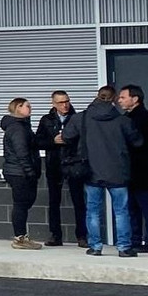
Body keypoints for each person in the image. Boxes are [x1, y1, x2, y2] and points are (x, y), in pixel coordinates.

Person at [75, 88, 145, 257]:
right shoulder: (122, 120)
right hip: (118, 172)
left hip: (92, 171)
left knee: (92, 211)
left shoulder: (82, 118)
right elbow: (138, 142)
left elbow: (68, 135)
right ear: (113, 100)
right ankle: (124, 248)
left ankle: (95, 247)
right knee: (121, 211)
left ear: (97, 97)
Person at [35, 91, 87, 246]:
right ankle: (55, 235)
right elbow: (38, 141)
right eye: (60, 102)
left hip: (74, 163)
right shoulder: (47, 120)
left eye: (67, 101)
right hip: (54, 164)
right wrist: (53, 141)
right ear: (53, 104)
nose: (65, 105)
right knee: (54, 201)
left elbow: (84, 140)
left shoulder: (77, 118)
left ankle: (82, 236)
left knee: (79, 201)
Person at [120, 85, 148, 253]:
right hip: (128, 171)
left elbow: (140, 144)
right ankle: (135, 239)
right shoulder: (126, 118)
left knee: (147, 207)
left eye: (123, 97)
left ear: (135, 99)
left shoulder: (146, 118)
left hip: (143, 171)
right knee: (131, 209)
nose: (119, 100)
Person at [0, 97, 44, 250]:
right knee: (21, 204)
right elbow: (22, 153)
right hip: (19, 172)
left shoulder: (22, 126)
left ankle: (21, 236)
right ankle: (20, 238)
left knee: (25, 202)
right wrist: (30, 172)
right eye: (27, 106)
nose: (30, 108)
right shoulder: (18, 128)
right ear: (18, 108)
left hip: (18, 170)